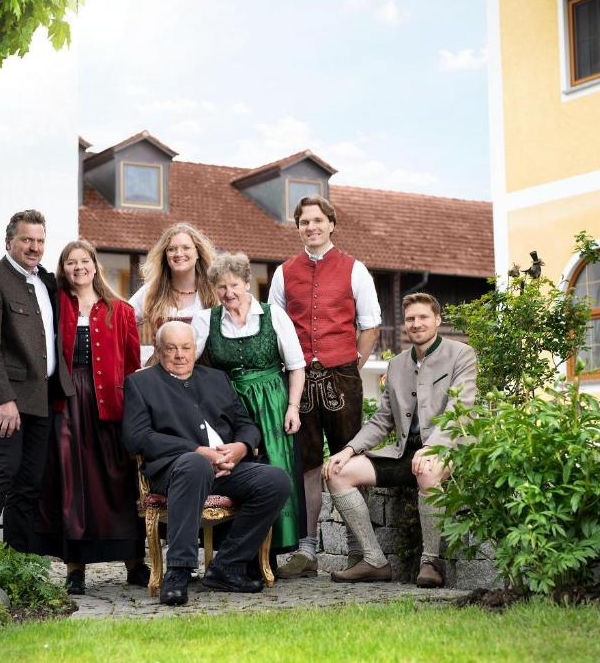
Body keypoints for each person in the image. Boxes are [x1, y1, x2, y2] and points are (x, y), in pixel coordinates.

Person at [121, 321, 291, 606]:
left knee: (276, 481)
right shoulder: (141, 383)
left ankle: (227, 566)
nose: (180, 355)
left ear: (195, 349)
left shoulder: (216, 378)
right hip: (176, 471)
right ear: (159, 351)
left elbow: (245, 425)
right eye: (171, 348)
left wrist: (240, 448)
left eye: (186, 347)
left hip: (226, 468)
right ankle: (178, 572)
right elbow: (137, 437)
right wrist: (198, 451)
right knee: (195, 464)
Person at [323, 293, 476, 586]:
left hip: (448, 446)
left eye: (423, 317)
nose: (416, 324)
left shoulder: (461, 354)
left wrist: (433, 446)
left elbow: (462, 410)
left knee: (428, 470)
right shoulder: (396, 365)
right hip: (404, 451)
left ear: (437, 320)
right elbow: (382, 419)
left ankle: (430, 562)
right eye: (410, 319)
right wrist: (348, 450)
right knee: (338, 473)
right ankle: (374, 561)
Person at [268, 195, 381, 578]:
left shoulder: (354, 269)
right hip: (298, 381)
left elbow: (370, 324)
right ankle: (307, 550)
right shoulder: (285, 272)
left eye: (318, 220)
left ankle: (356, 548)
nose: (311, 227)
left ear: (331, 224)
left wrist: (354, 364)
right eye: (304, 222)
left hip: (343, 377)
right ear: (298, 227)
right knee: (307, 465)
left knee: (349, 459)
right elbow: (277, 327)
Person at [0, 209, 75, 580]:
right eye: (27, 240)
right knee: (5, 471)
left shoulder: (45, 282)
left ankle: (19, 558)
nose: (34, 247)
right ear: (9, 241)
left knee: (30, 481)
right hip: (8, 398)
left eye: (40, 241)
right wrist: (2, 399)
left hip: (42, 396)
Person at [36, 240, 148, 595]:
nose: (79, 267)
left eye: (85, 261)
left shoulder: (122, 310)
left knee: (118, 480)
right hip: (67, 403)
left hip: (110, 406)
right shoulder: (55, 305)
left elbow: (132, 366)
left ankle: (134, 562)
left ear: (96, 265)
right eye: (71, 262)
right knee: (72, 482)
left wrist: (135, 409)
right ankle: (75, 567)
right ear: (63, 268)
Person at [190, 252, 306, 558]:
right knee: (233, 471)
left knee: (276, 469)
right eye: (221, 287)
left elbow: (296, 366)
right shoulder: (206, 319)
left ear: (247, 283)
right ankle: (239, 552)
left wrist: (293, 406)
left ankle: (274, 551)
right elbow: (186, 359)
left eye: (234, 285)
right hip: (228, 406)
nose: (229, 293)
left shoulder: (273, 315)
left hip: (272, 402)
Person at [129, 223, 219, 339]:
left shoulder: (214, 291)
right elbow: (121, 320)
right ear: (165, 255)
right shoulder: (153, 290)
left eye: (186, 248)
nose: (179, 254)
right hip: (161, 357)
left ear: (197, 253)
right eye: (171, 249)